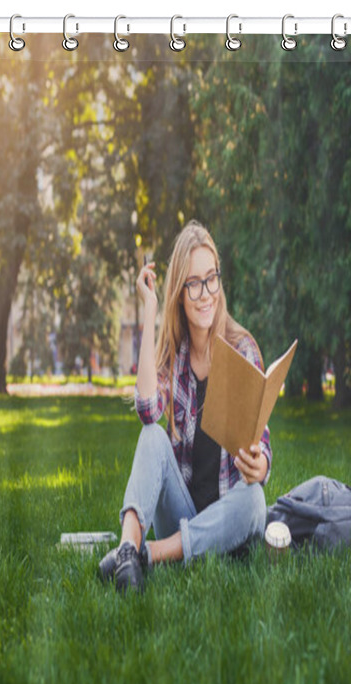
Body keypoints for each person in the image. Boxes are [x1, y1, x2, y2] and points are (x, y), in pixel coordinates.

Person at [100, 220, 271, 592]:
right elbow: (147, 410)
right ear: (180, 291)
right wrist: (149, 312)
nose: (206, 292)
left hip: (227, 519)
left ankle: (152, 554)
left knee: (255, 500)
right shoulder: (174, 356)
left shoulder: (243, 350)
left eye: (212, 278)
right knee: (152, 436)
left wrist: (261, 465)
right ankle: (129, 548)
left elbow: (263, 444)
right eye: (194, 283)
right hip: (182, 512)